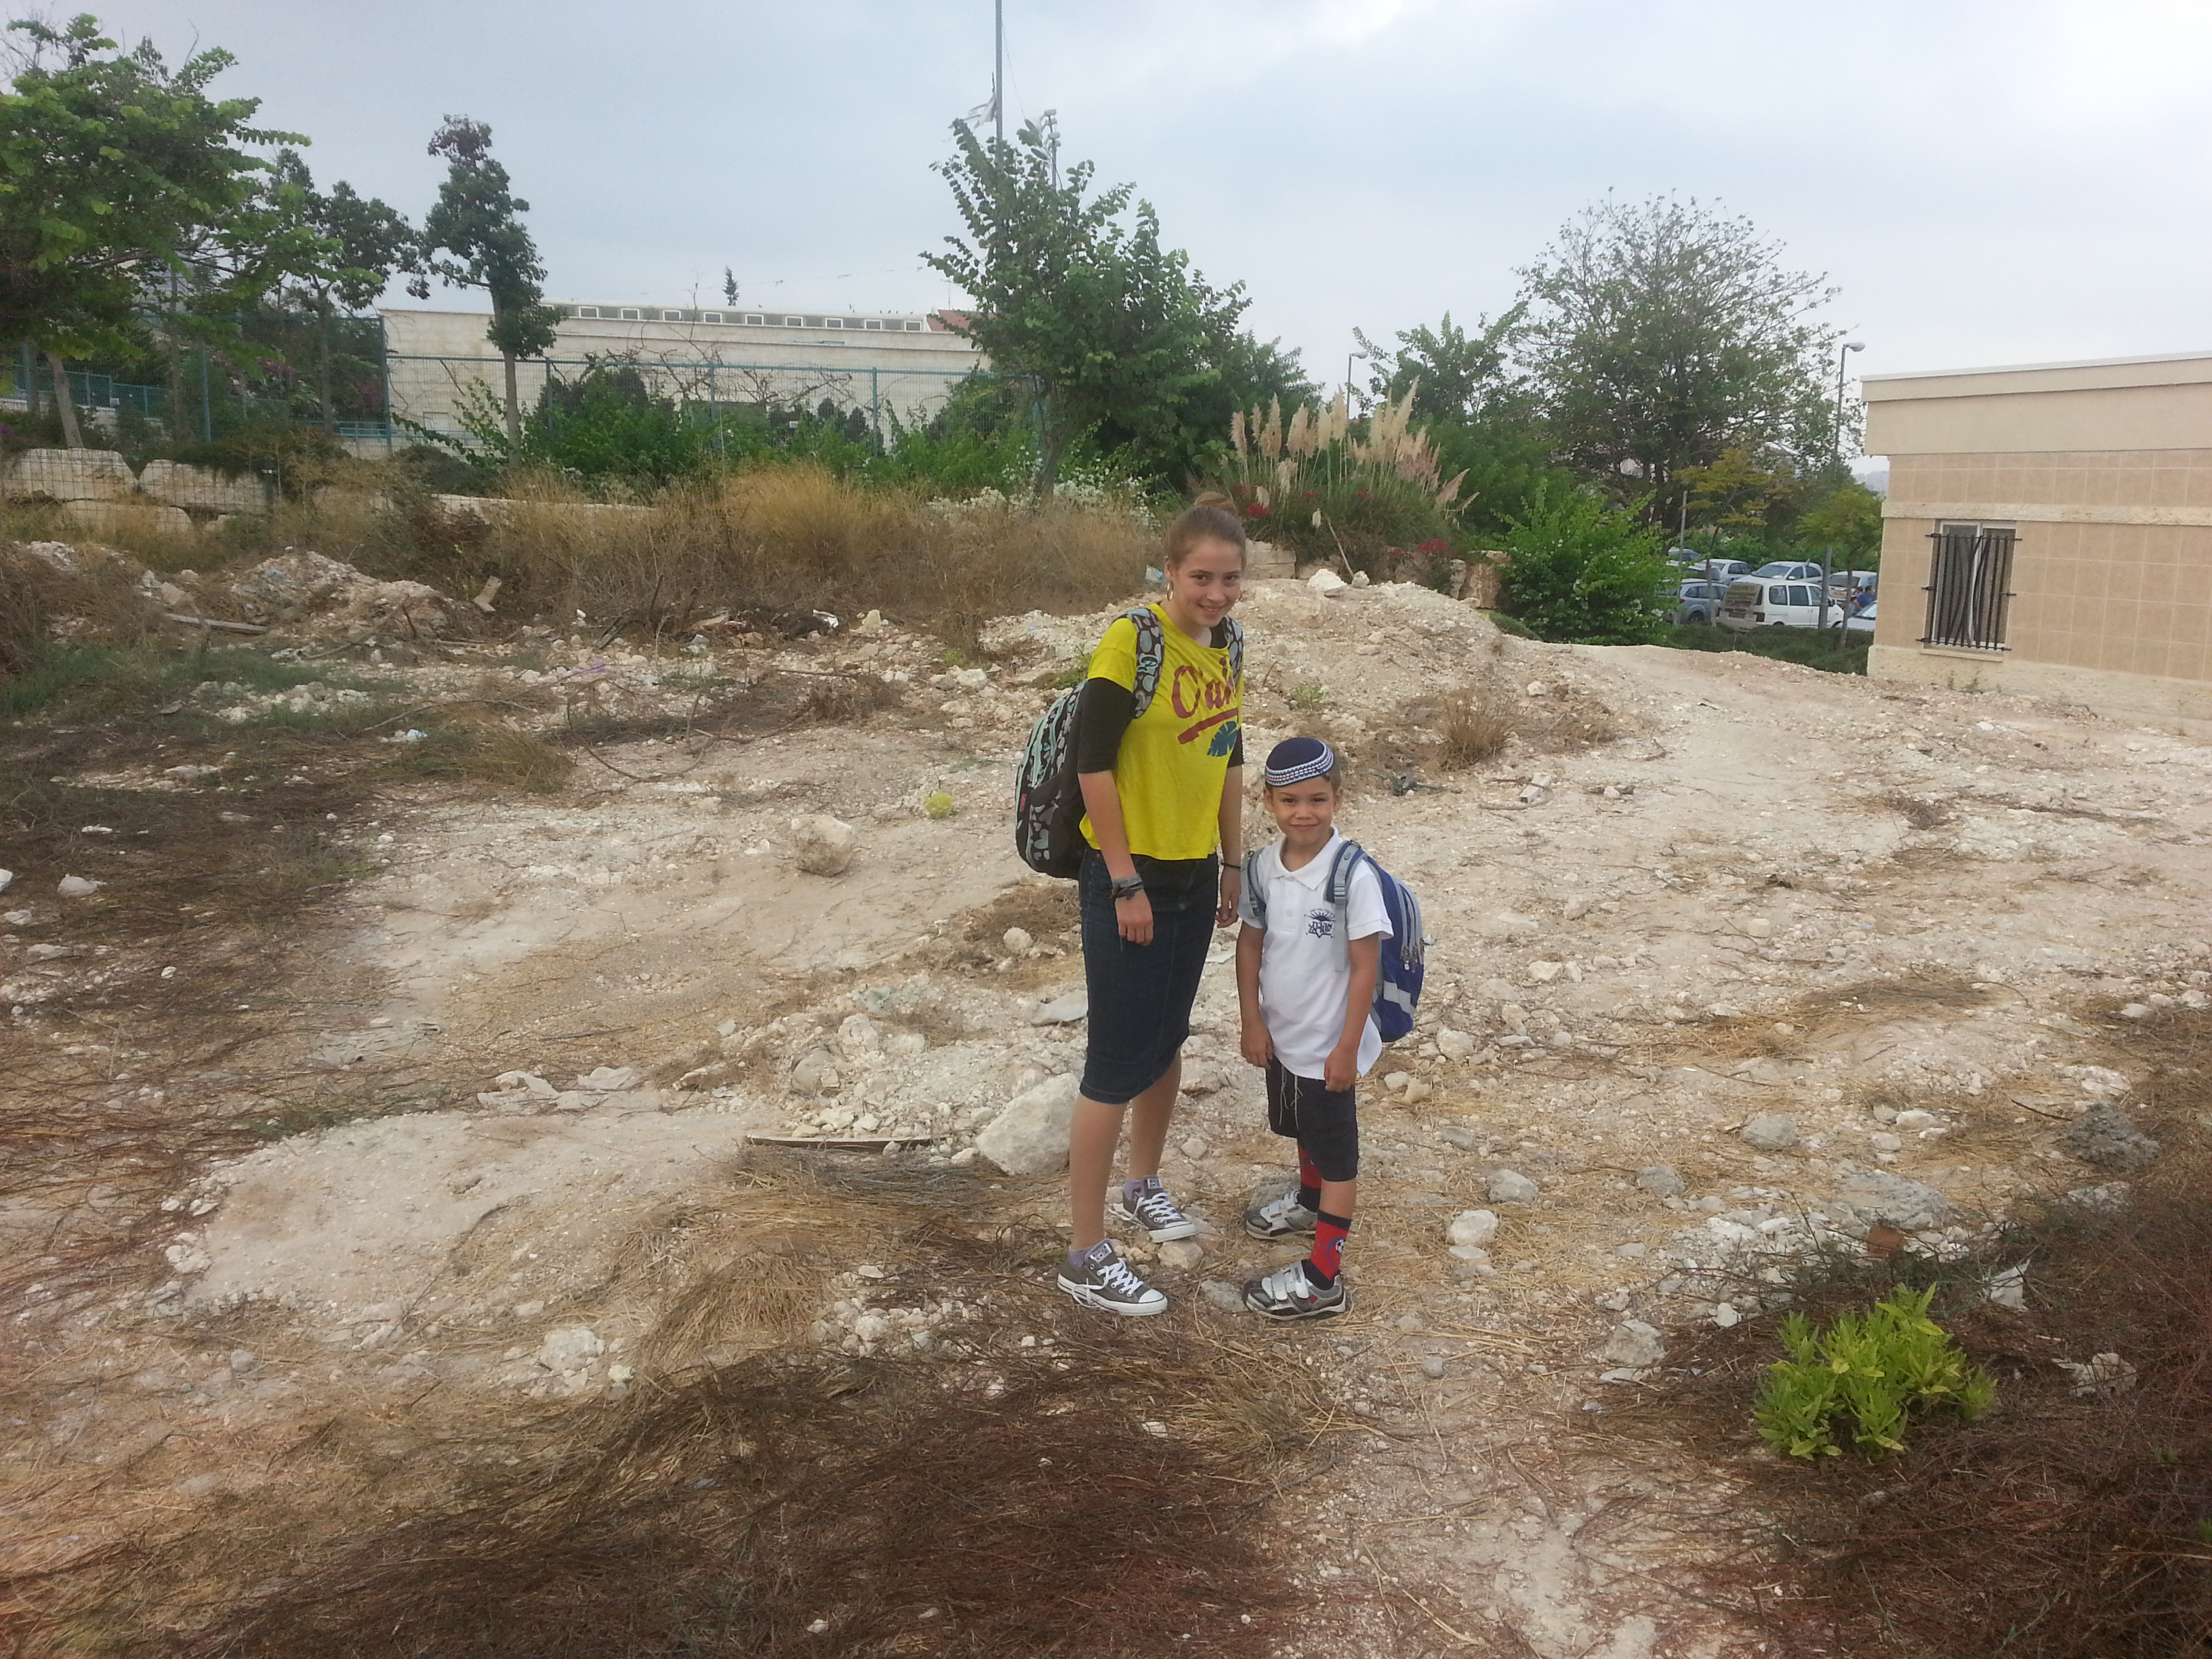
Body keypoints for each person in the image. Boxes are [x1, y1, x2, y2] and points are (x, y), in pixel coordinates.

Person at [1056, 496, 1247, 1317]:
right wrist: (1124, 879)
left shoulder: (1228, 644)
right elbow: (1093, 765)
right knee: (1114, 1063)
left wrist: (1232, 861)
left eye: (1229, 579)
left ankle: (1143, 1184)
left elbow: (1228, 755)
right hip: (1128, 878)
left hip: (1194, 872)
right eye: (1201, 577)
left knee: (1168, 1039)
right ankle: (1084, 1254)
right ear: (1170, 571)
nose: (1216, 594)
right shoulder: (1131, 642)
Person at [1233, 737, 1389, 1320]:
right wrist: (1252, 1020)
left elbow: (1366, 966)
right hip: (1283, 1036)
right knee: (1301, 1126)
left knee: (1338, 1157)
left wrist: (1347, 1048)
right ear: (1269, 802)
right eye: (1290, 800)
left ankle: (1325, 1278)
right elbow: (1251, 945)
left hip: (1328, 1046)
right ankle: (1307, 1199)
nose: (1304, 813)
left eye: (1317, 800)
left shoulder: (1352, 875)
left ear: (1338, 799)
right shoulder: (1262, 869)